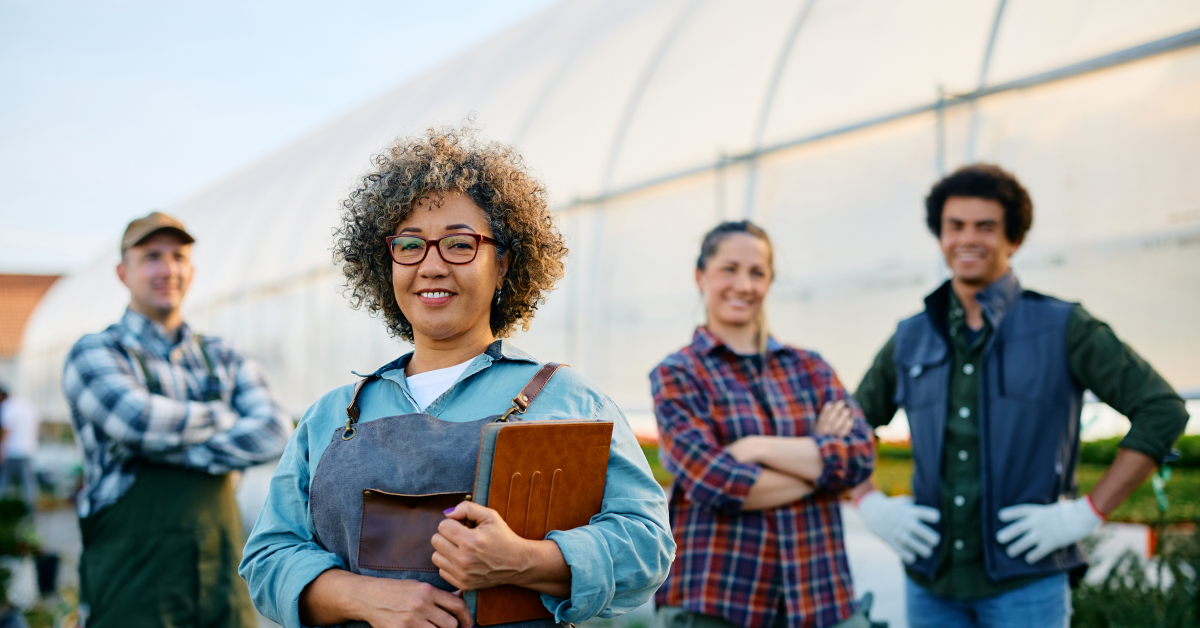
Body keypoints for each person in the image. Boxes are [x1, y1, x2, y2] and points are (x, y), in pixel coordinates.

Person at [239, 126, 675, 628]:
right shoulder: (332, 415)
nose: (432, 266)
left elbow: (646, 543)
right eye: (410, 245)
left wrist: (523, 560)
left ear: (504, 264)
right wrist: (361, 597)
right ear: (388, 265)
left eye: (460, 244)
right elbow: (268, 556)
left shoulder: (566, 398)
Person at [850, 164, 1190, 627]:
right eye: (956, 226)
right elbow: (847, 426)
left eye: (985, 227)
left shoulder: (1064, 327)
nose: (968, 238)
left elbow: (1161, 410)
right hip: (931, 585)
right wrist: (870, 504)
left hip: (1026, 585)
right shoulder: (910, 337)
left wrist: (1086, 515)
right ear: (940, 236)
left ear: (1013, 239)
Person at [62, 211, 293, 628]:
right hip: (132, 587)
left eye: (178, 257)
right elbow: (137, 423)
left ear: (191, 270)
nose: (167, 269)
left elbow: (275, 431)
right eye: (151, 256)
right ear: (123, 271)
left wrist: (168, 447)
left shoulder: (222, 353)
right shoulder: (96, 353)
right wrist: (225, 417)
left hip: (222, 583)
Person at [650, 221, 877, 628]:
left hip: (821, 596)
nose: (744, 284)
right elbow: (714, 481)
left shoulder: (811, 367)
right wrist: (821, 461)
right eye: (729, 269)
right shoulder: (678, 374)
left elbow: (860, 457)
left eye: (757, 273)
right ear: (700, 276)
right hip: (719, 600)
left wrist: (756, 447)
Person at [0, 385, 40, 509]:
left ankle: (3, 508)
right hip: (27, 449)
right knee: (28, 483)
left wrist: (1, 450)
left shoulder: (7, 407)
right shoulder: (26, 405)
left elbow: (6, 430)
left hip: (11, 451)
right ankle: (31, 509)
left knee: (3, 481)